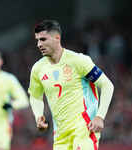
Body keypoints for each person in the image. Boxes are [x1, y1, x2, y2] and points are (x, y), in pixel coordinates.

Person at [28, 20, 114, 150]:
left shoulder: (78, 60)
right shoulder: (38, 69)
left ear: (57, 38)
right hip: (60, 135)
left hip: (85, 129)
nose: (39, 44)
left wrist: (99, 116)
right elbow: (35, 96)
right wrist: (38, 115)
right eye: (37, 40)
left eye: (43, 39)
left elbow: (107, 85)